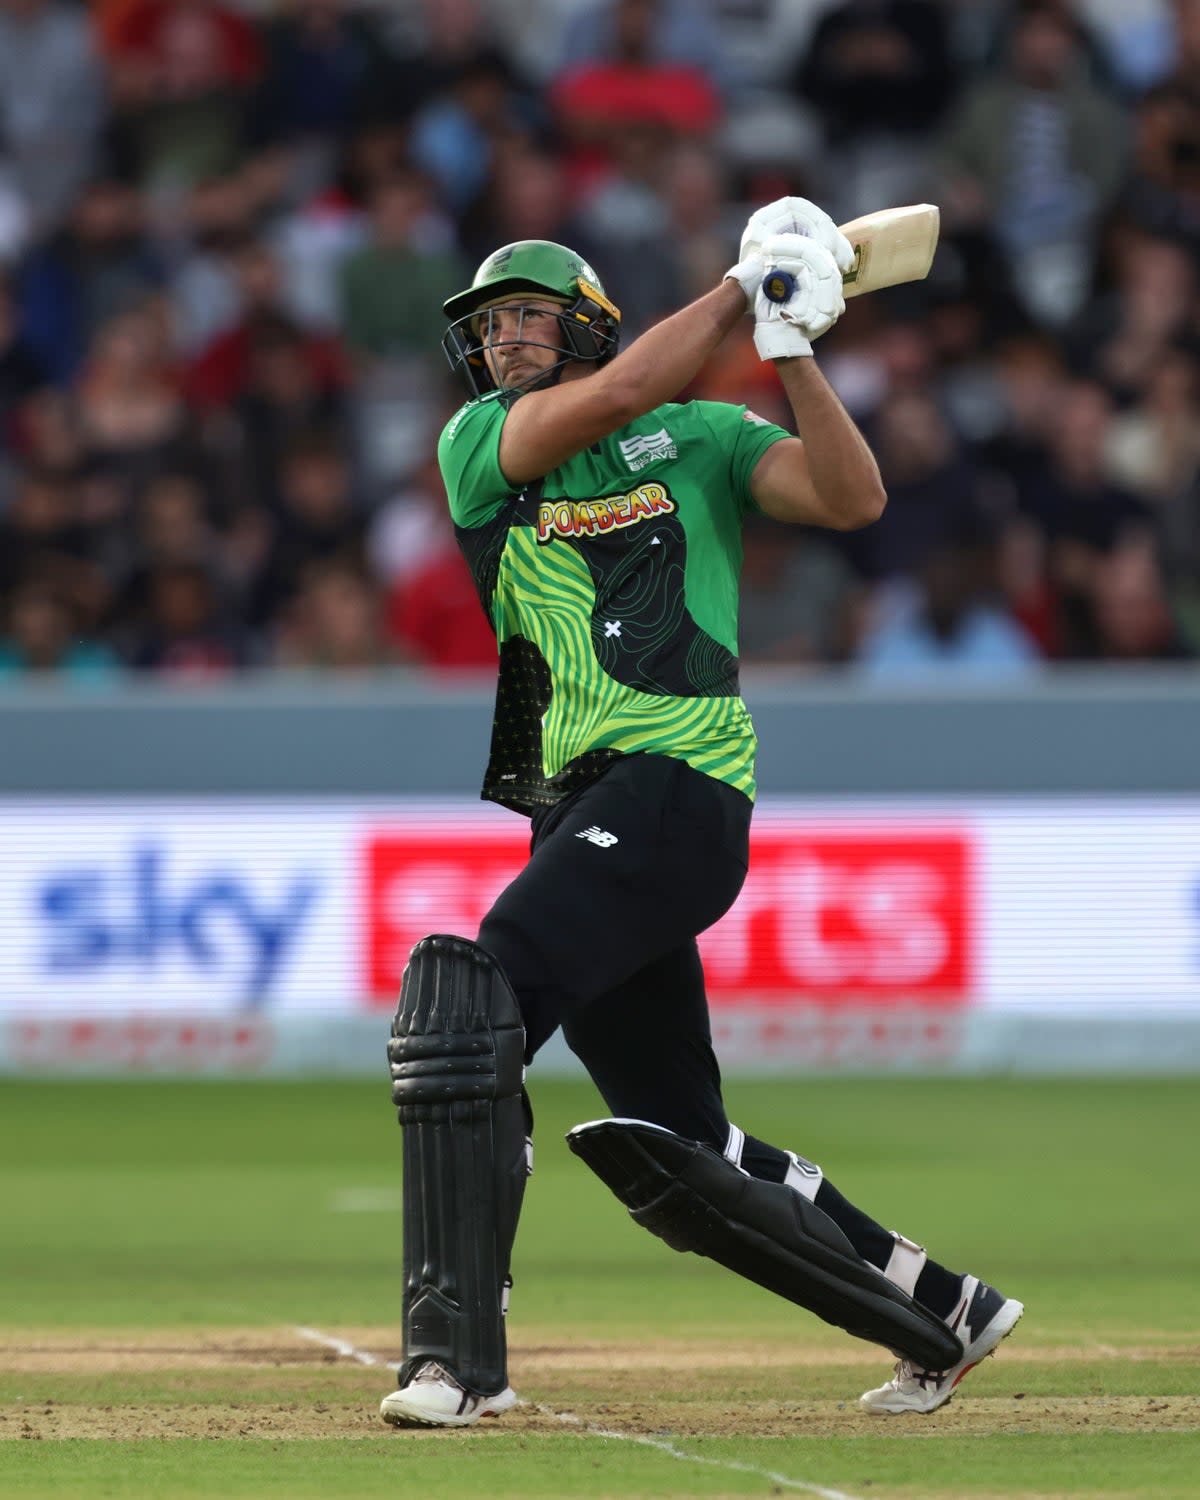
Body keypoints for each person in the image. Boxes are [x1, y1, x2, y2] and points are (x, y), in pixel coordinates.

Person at [379, 203, 1024, 1429]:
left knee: (470, 1007)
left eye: (530, 317)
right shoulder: (481, 443)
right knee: (683, 1141)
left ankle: (456, 1361)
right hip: (571, 804)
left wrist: (788, 347)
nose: (506, 338)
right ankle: (942, 1309)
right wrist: (742, 287)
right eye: (493, 322)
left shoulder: (708, 434)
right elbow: (619, 394)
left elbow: (851, 497)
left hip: (678, 783)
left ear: (583, 322)